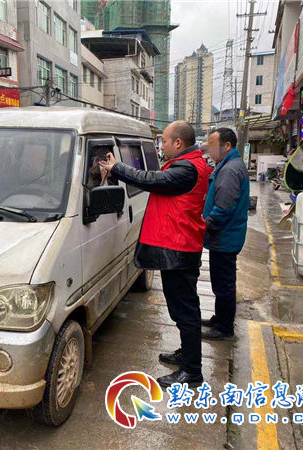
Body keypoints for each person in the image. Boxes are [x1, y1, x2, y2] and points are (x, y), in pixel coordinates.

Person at [99, 121, 212, 388]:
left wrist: (117, 167)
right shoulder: (189, 164)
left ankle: (192, 371)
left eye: (164, 141)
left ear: (178, 143)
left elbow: (150, 180)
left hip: (180, 249)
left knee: (185, 311)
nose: (162, 146)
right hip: (179, 246)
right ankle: (187, 355)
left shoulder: (186, 169)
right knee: (181, 309)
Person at [201, 128, 250, 340]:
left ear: (227, 146)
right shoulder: (227, 165)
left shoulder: (230, 169)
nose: (209, 149)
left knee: (224, 284)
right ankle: (220, 319)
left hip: (225, 237)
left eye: (212, 145)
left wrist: (205, 225)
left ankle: (224, 328)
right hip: (225, 236)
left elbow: (224, 208)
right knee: (220, 282)